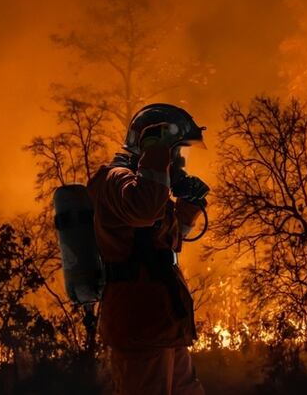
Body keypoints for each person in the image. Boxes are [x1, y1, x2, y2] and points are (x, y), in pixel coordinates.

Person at [87, 103, 210, 395]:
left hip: (163, 323)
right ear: (150, 145)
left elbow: (163, 245)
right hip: (139, 324)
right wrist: (157, 156)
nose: (179, 162)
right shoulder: (115, 180)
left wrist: (190, 207)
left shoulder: (144, 186)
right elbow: (143, 211)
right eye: (176, 151)